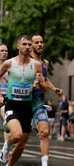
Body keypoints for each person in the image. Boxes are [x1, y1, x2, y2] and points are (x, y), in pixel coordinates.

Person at [0, 34, 46, 166]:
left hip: (26, 107)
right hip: (12, 105)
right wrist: (0, 95)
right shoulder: (9, 63)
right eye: (24, 44)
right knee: (17, 136)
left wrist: (40, 82)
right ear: (18, 46)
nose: (27, 47)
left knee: (22, 144)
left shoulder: (37, 65)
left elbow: (44, 89)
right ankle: (6, 146)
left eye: (29, 44)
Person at [30, 34, 63, 166]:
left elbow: (45, 78)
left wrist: (54, 89)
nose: (39, 44)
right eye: (36, 42)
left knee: (44, 132)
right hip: (24, 103)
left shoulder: (45, 63)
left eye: (41, 42)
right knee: (17, 137)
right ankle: (6, 147)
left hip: (38, 102)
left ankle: (44, 164)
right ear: (31, 45)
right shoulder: (25, 61)